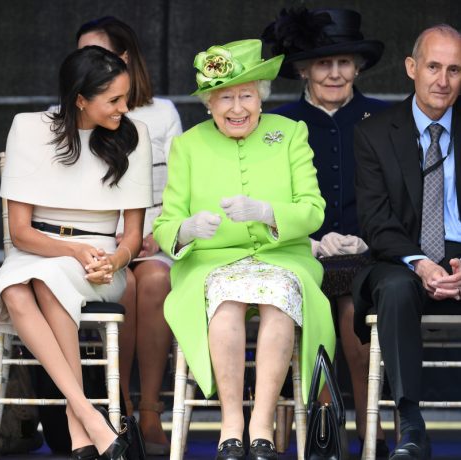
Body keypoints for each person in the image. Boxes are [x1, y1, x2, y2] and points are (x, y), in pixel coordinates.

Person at [153, 39, 335, 460]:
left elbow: (313, 211)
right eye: (226, 97)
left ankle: (262, 425)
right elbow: (165, 225)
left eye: (246, 96)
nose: (237, 108)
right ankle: (231, 422)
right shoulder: (188, 145)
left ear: (261, 97)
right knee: (227, 302)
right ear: (208, 104)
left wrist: (269, 212)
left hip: (281, 257)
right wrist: (186, 229)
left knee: (278, 299)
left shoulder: (290, 133)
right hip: (212, 263)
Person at [0, 45, 152, 460]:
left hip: (99, 262)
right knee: (16, 287)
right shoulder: (28, 128)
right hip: (38, 251)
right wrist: (71, 250)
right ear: (80, 98)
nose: (123, 108)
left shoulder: (135, 135)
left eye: (125, 97)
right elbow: (21, 233)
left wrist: (115, 260)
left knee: (41, 282)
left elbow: (131, 236)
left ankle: (82, 428)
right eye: (113, 100)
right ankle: (88, 421)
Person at [262, 7, 389, 456]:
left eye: (344, 63)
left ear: (358, 67)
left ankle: (368, 431)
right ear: (302, 68)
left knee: (356, 309)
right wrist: (310, 242)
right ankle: (323, 427)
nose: (335, 73)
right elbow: (267, 199)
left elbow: (404, 199)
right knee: (310, 300)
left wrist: (371, 239)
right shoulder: (275, 124)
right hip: (300, 252)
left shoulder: (388, 119)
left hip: (369, 252)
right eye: (323, 63)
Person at [352, 24, 461, 460]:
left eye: (455, 70)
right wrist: (422, 263)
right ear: (411, 68)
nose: (443, 80)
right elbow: (375, 222)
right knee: (394, 289)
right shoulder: (375, 133)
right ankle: (411, 422)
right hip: (400, 255)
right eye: (433, 67)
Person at [76, 16, 182, 455]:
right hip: (96, 241)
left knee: (154, 278)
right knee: (129, 285)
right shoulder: (71, 113)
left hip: (153, 236)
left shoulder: (161, 113)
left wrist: (156, 232)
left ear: (123, 58)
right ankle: (119, 413)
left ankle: (152, 408)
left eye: (96, 54)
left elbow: (181, 186)